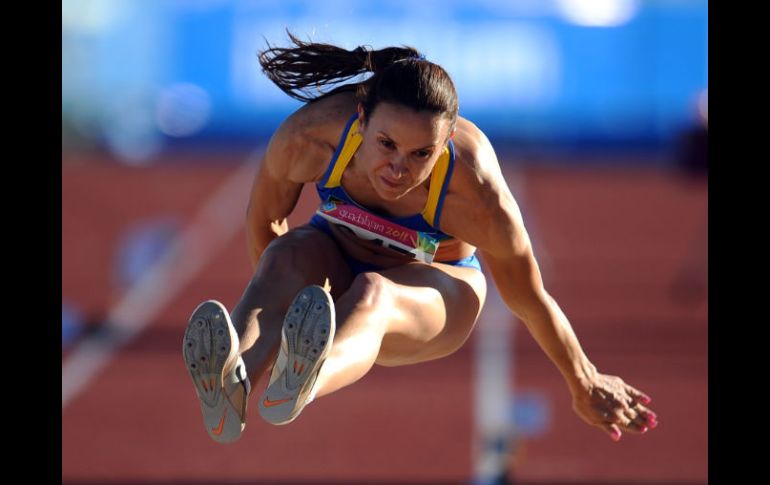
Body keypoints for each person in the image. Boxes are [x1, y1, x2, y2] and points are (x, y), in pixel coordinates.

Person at [182, 32, 659, 444]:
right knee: (286, 254)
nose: (398, 168)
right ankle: (231, 381)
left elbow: (530, 298)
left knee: (374, 295)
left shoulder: (477, 195)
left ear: (448, 138)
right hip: (332, 254)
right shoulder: (311, 136)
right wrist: (281, 314)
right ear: (362, 117)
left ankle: (305, 377)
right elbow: (264, 222)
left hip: (434, 292)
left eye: (421, 154)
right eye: (387, 144)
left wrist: (583, 379)